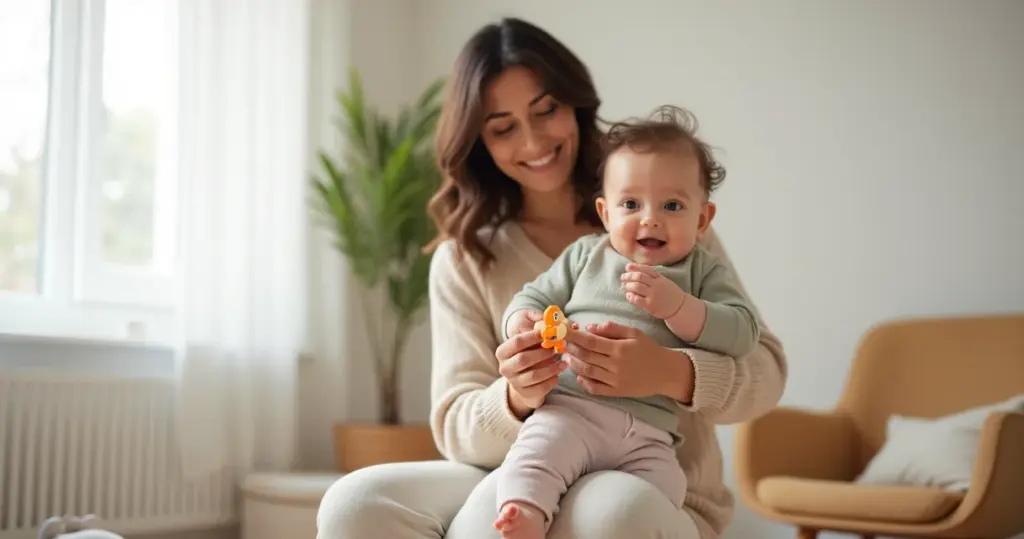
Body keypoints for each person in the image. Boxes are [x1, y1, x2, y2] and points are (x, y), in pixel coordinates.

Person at [316, 16, 787, 539]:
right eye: (503, 127)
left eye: (547, 111)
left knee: (614, 509)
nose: (534, 140)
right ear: (479, 142)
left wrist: (668, 372)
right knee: (354, 503)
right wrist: (518, 394)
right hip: (525, 463)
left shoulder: (669, 228)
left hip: (645, 475)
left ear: (576, 106)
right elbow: (454, 426)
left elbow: (764, 370)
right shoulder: (465, 258)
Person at [493, 106, 760, 539]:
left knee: (665, 489)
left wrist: (679, 308)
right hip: (571, 410)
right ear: (605, 213)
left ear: (702, 219)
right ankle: (524, 514)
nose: (650, 218)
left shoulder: (702, 272)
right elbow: (533, 296)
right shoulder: (586, 256)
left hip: (650, 432)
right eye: (631, 204)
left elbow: (744, 333)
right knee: (537, 455)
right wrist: (522, 323)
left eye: (672, 205)